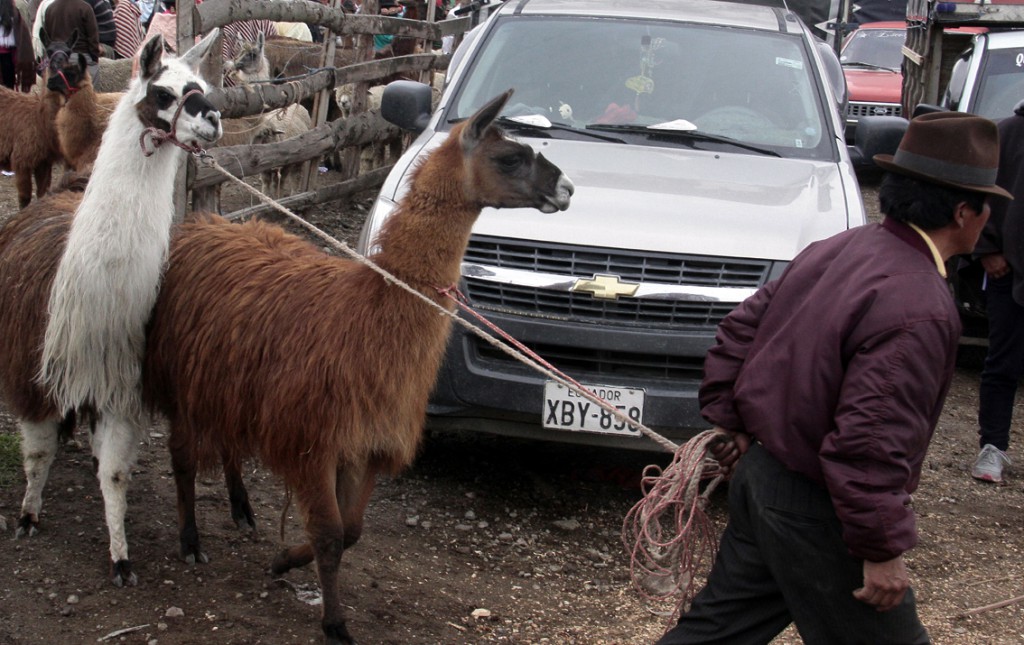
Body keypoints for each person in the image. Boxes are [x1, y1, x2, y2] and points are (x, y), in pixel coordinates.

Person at [656, 111, 1012, 645]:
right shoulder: (920, 304)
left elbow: (739, 331)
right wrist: (881, 549)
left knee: (715, 634)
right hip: (818, 509)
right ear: (964, 212)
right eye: (988, 206)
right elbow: (870, 440)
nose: (989, 220)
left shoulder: (842, 248)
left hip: (766, 479)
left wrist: (734, 420)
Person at [971, 100, 1024, 484]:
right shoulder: (1005, 133)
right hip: (1010, 271)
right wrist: (987, 248)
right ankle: (992, 447)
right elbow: (981, 192)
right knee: (1002, 361)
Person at [0, 0, 33, 91]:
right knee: (8, 88)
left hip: (7, 56)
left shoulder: (14, 13)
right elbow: (22, 37)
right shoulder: (14, 13)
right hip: (8, 57)